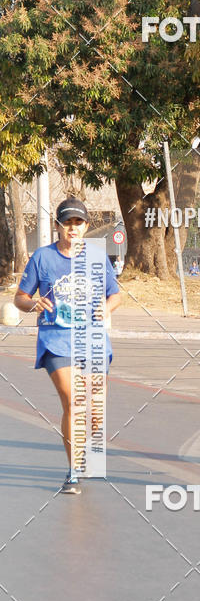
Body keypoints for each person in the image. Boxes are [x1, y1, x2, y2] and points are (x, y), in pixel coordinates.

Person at [14, 198, 121, 495]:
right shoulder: (42, 258)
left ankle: (86, 448)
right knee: (73, 401)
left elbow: (116, 295)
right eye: (67, 222)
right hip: (56, 338)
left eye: (78, 222)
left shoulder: (98, 258)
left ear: (86, 226)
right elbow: (19, 298)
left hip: (93, 339)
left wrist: (107, 308)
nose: (72, 228)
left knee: (95, 412)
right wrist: (33, 302)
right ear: (58, 226)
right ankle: (73, 470)